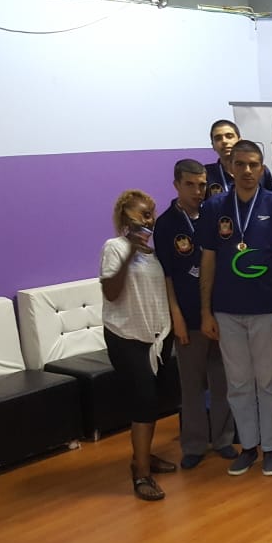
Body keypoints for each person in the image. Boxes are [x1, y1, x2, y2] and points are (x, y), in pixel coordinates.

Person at [198, 140, 272, 478]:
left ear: (262, 168)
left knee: (269, 381)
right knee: (238, 383)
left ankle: (271, 448)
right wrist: (206, 311)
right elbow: (208, 261)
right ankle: (249, 447)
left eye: (254, 164)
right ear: (230, 167)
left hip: (267, 308)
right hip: (226, 310)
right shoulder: (214, 208)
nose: (247, 171)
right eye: (240, 164)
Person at [154, 159, 237, 469]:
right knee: (191, 386)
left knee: (222, 381)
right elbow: (166, 275)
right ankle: (194, 444)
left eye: (202, 184)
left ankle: (224, 439)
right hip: (187, 317)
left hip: (221, 313)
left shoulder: (216, 216)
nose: (197, 191)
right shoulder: (166, 224)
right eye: (189, 184)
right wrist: (175, 315)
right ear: (176, 185)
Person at [99, 190, 175, 500]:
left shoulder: (153, 253)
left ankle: (142, 456)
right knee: (143, 400)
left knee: (154, 401)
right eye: (144, 214)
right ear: (126, 218)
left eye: (151, 213)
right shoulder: (115, 248)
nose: (150, 220)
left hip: (156, 338)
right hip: (126, 337)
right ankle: (141, 473)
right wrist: (130, 251)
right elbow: (111, 292)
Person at [204, 119, 272, 198]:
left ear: (240, 141)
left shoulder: (259, 170)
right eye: (218, 138)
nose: (224, 141)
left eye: (229, 136)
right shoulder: (206, 173)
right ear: (213, 145)